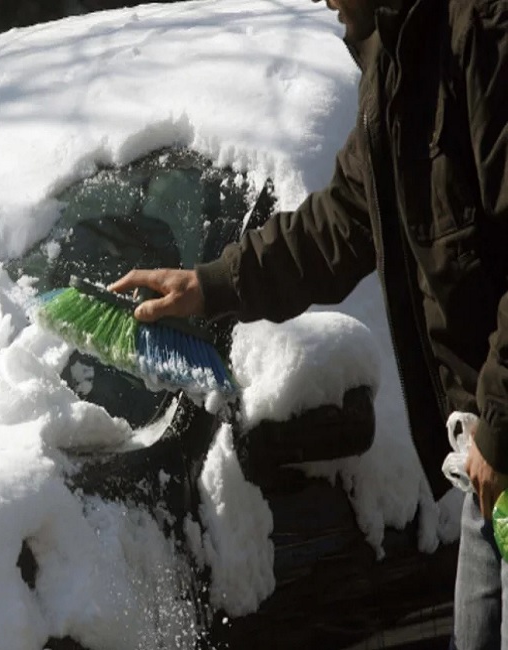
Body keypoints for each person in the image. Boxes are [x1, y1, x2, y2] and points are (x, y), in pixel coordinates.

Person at [108, 0, 508, 646]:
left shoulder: (481, 31)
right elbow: (338, 225)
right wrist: (208, 285)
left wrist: (501, 420)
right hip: (488, 479)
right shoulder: (396, 66)